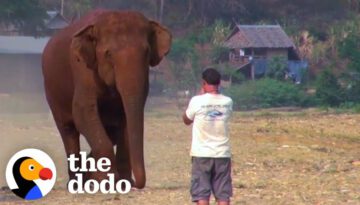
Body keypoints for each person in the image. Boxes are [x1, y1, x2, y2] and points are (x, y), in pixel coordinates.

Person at [183, 68, 233, 205]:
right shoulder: (228, 101)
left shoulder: (196, 101)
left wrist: (200, 96)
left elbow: (186, 120)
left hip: (201, 153)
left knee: (202, 194)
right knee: (223, 194)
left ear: (204, 83)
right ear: (219, 83)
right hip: (222, 153)